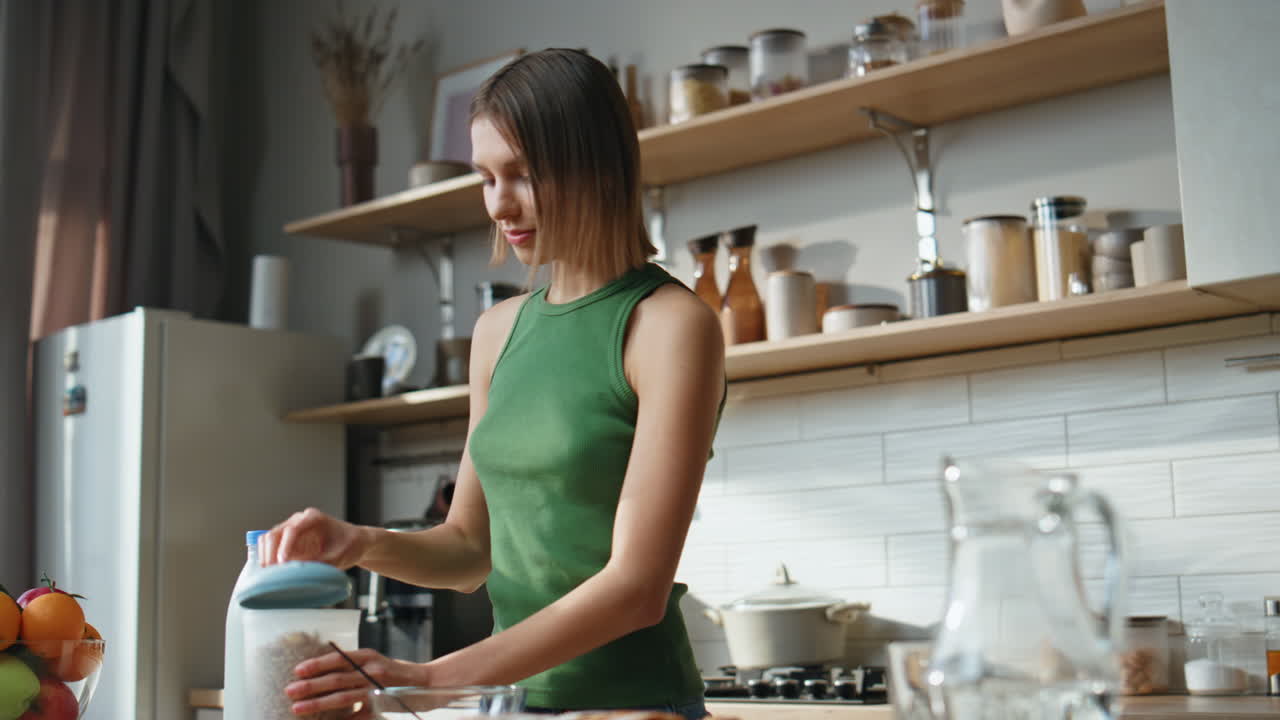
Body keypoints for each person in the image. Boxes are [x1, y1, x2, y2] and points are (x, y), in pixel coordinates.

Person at [258, 48, 725, 720]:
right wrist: (360, 543)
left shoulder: (670, 325)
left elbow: (635, 588)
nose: (499, 204)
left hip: (634, 707)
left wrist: (433, 677)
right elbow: (468, 549)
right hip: (511, 708)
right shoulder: (498, 331)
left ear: (596, 167)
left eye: (524, 175)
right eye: (485, 177)